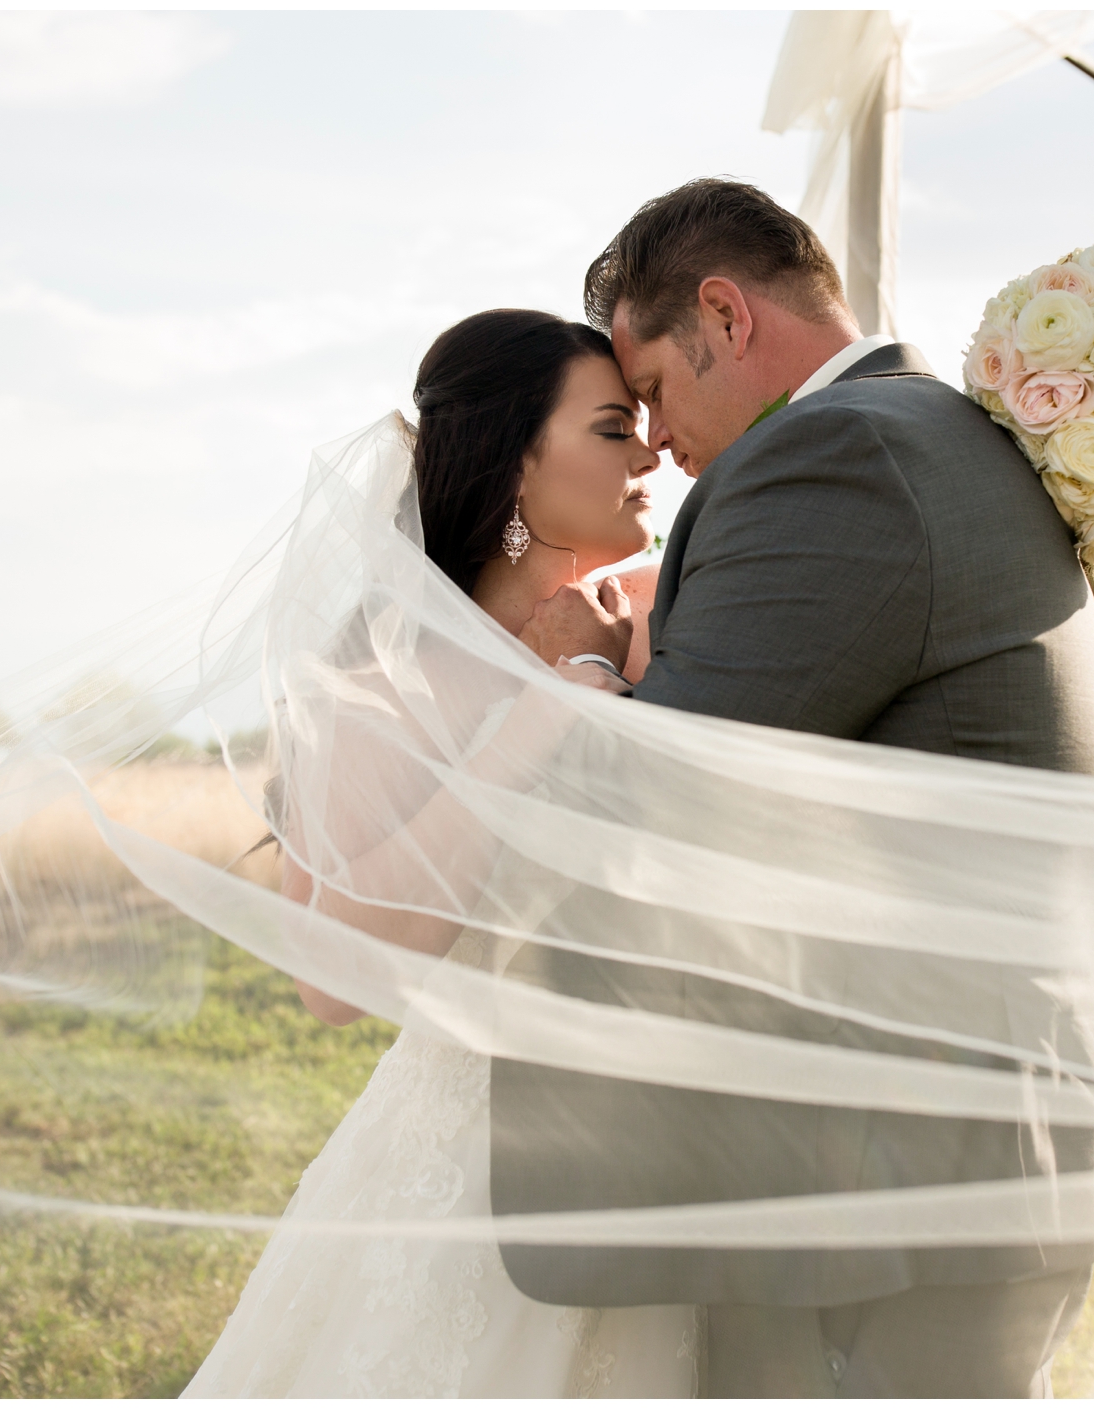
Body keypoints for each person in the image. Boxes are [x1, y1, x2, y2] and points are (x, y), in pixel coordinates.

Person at [499, 178, 1094, 1398]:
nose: (658, 442)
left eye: (658, 392)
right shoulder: (933, 433)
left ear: (724, 316)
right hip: (944, 1165)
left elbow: (651, 808)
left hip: (885, 1187)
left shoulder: (841, 454)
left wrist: (572, 660)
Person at [183, 310, 704, 1397]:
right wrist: (549, 712)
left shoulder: (673, 622)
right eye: (613, 427)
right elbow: (332, 983)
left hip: (676, 1162)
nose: (651, 451)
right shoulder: (374, 691)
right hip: (476, 1170)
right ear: (515, 463)